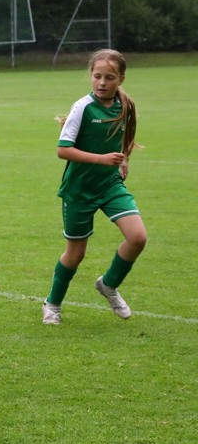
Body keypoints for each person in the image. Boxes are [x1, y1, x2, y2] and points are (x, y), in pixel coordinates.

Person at [42, 49, 145, 325]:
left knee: (137, 237)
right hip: (79, 189)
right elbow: (62, 150)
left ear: (121, 78)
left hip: (110, 185)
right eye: (97, 76)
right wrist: (102, 159)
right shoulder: (83, 107)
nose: (102, 82)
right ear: (90, 76)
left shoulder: (126, 105)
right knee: (75, 255)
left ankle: (108, 285)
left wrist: (124, 158)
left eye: (109, 77)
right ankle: (52, 304)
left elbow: (125, 134)